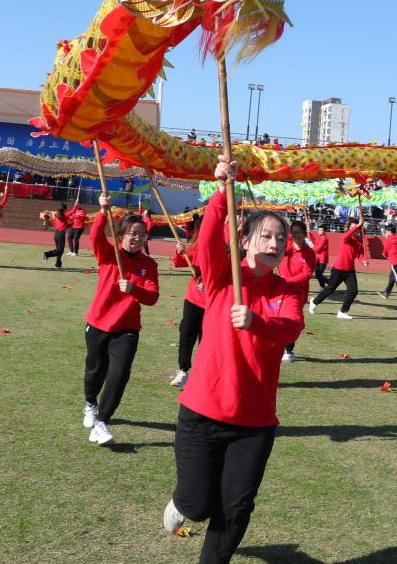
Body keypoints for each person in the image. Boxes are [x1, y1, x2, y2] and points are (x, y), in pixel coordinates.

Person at [162, 158, 305, 562]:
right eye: (266, 236)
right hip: (203, 412)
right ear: (245, 240)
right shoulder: (225, 275)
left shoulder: (289, 289)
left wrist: (256, 321)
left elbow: (290, 328)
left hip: (254, 423)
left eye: (280, 238)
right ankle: (182, 505)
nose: (275, 244)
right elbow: (207, 242)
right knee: (198, 506)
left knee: (236, 508)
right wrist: (222, 192)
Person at [82, 192, 159, 446]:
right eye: (131, 234)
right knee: (96, 370)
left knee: (119, 374)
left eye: (140, 234)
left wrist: (133, 289)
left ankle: (102, 421)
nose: (136, 238)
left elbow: (152, 297)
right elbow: (95, 236)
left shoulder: (149, 265)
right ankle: (91, 403)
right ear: (122, 235)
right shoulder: (108, 254)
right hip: (98, 322)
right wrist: (103, 211)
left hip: (126, 329)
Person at [308, 206, 363, 319]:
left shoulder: (359, 241)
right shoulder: (346, 237)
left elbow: (361, 254)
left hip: (350, 270)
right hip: (339, 268)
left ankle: (343, 312)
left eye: (357, 229)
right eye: (353, 228)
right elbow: (348, 234)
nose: (355, 230)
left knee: (353, 291)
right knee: (330, 290)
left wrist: (363, 261)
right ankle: (315, 301)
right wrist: (356, 226)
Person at [170, 217, 205, 388]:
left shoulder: (225, 247)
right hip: (193, 299)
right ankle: (183, 369)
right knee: (187, 333)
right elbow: (179, 262)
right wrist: (179, 251)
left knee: (206, 338)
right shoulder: (195, 247)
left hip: (213, 302)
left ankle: (203, 373)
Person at [280, 220, 317, 363]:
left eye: (299, 233)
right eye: (293, 232)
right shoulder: (285, 246)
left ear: (304, 234)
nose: (296, 235)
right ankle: (277, 346)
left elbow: (307, 274)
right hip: (279, 289)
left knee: (293, 322)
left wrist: (288, 281)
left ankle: (289, 351)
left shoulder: (309, 253)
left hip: (297, 292)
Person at [378, 224, 397, 301]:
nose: (386, 232)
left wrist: (384, 253)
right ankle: (386, 293)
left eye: (387, 231)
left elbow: (386, 249)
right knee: (392, 277)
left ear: (389, 231)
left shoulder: (389, 238)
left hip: (394, 261)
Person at [43, 203, 69, 268]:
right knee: (60, 250)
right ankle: (47, 254)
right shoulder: (64, 215)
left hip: (56, 234)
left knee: (59, 250)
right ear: (65, 209)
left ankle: (58, 264)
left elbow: (53, 224)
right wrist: (76, 205)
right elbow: (73, 211)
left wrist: (47, 224)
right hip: (61, 234)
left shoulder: (56, 216)